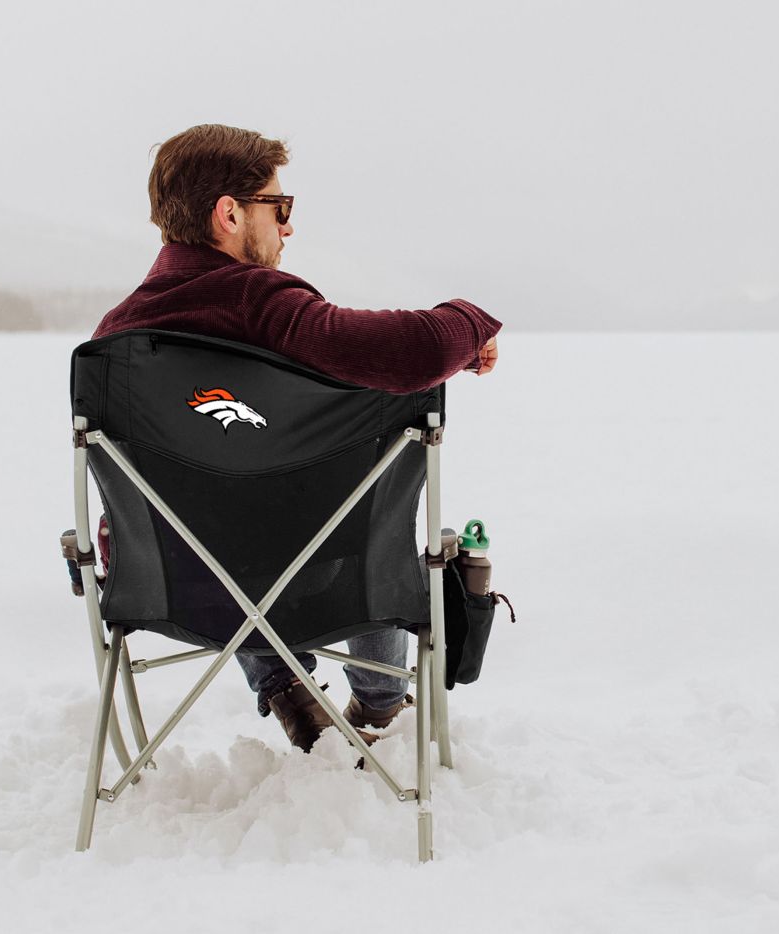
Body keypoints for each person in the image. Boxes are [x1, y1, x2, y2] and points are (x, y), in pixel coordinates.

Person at [92, 123, 500, 753]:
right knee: (364, 501)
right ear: (229, 213)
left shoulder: (113, 345)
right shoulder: (264, 305)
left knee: (212, 520)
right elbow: (411, 353)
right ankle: (382, 701)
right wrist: (470, 324)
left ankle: (284, 688)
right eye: (279, 209)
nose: (288, 228)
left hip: (170, 587)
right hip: (319, 581)